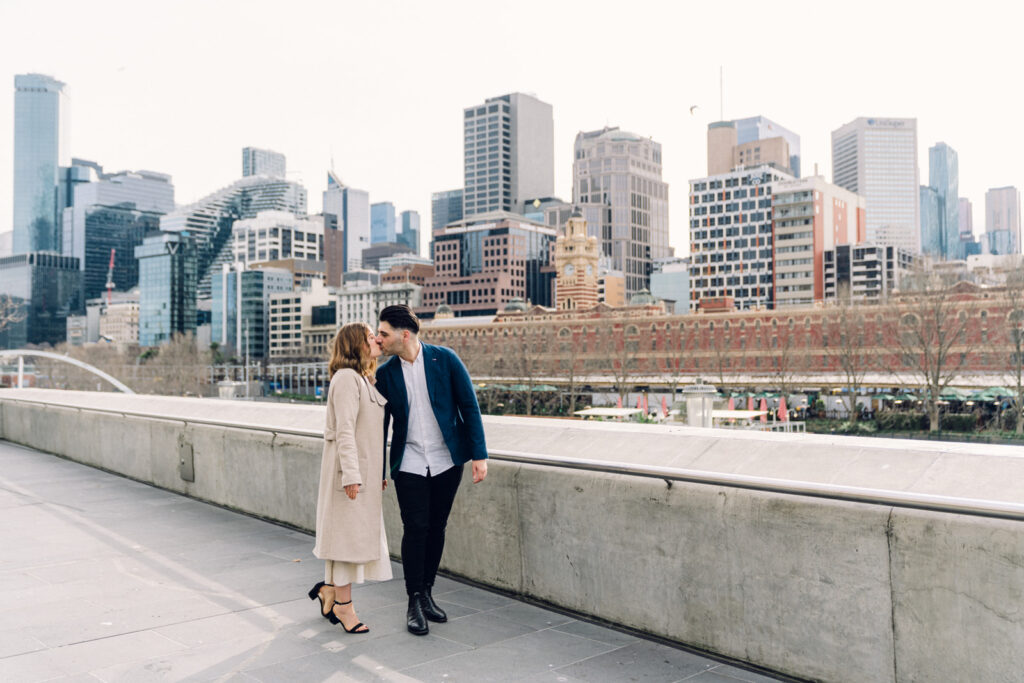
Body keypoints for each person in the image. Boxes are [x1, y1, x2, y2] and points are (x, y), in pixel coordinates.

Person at [374, 304, 488, 636]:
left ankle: (427, 594)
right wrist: (379, 468)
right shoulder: (386, 374)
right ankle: (413, 600)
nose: (379, 339)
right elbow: (379, 425)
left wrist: (479, 455)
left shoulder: (445, 359)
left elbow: (469, 405)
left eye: (383, 333)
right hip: (408, 462)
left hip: (446, 461)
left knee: (437, 527)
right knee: (415, 528)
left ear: (403, 334)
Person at [308, 322, 391, 634]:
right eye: (371, 337)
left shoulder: (360, 379)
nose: (377, 341)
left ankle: (330, 592)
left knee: (348, 538)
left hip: (360, 474)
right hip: (349, 475)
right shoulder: (346, 379)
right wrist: (352, 476)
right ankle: (344, 608)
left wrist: (375, 473)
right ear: (358, 343)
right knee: (346, 542)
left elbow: (367, 435)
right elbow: (345, 431)